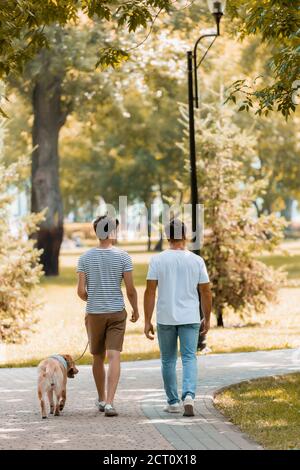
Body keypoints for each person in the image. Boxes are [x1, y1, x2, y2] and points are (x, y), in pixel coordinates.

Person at [144, 219, 212, 417]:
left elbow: (150, 292)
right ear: (185, 236)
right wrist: (207, 318)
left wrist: (147, 320)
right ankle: (189, 396)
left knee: (168, 360)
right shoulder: (196, 260)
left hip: (165, 317)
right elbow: (206, 292)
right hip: (190, 316)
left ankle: (173, 402)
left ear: (167, 236)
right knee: (190, 357)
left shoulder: (157, 260)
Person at [77, 215, 139, 417]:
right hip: (116, 313)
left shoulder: (84, 258)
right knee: (114, 356)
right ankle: (111, 403)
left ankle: (101, 399)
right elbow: (130, 289)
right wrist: (136, 309)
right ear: (112, 232)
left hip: (94, 313)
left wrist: (92, 298)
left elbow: (80, 291)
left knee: (97, 356)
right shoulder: (123, 257)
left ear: (97, 232)